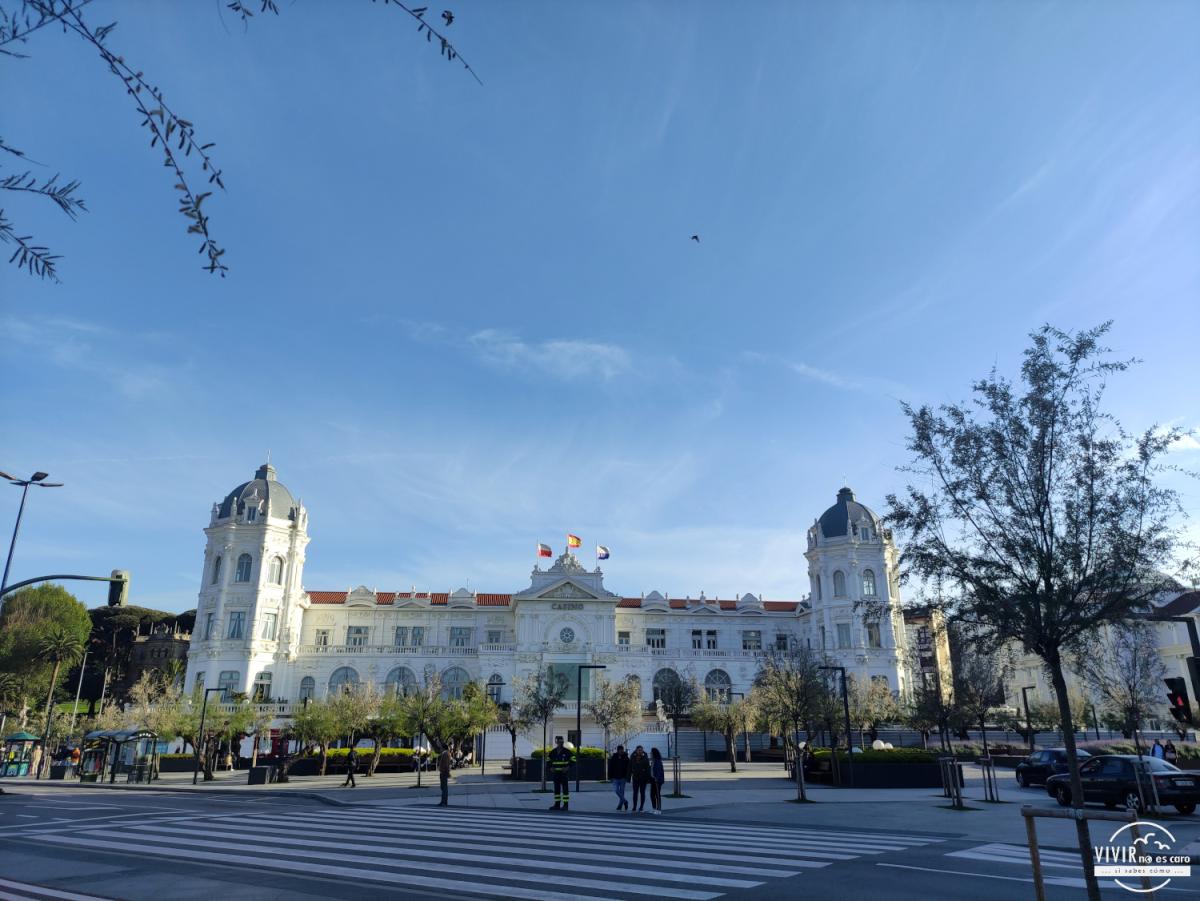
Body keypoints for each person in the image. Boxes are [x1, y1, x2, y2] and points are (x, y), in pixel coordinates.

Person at [547, 736, 574, 811]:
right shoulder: (553, 752)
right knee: (556, 790)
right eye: (558, 742)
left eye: (561, 742)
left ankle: (565, 806)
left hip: (564, 774)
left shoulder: (567, 752)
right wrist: (550, 767)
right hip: (556, 774)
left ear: (563, 742)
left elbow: (573, 760)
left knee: (565, 789)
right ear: (556, 742)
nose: (560, 743)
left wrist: (568, 767)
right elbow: (548, 760)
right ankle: (557, 805)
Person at [629, 745, 651, 813]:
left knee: (642, 793)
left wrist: (648, 779)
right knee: (635, 793)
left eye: (641, 750)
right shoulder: (633, 757)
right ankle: (634, 806)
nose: (640, 751)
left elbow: (648, 769)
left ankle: (641, 806)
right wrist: (628, 777)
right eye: (638, 750)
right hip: (635, 778)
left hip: (643, 779)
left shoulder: (645, 758)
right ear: (636, 750)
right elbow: (629, 767)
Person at [609, 744, 630, 810]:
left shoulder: (626, 757)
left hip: (623, 777)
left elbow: (628, 768)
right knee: (616, 790)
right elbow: (610, 767)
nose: (620, 751)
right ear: (617, 750)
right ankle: (625, 801)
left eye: (622, 750)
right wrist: (610, 777)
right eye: (619, 750)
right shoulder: (614, 757)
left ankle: (620, 805)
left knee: (622, 792)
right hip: (615, 777)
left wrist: (627, 776)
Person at [650, 747, 665, 815]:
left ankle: (659, 809)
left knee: (657, 795)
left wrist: (657, 778)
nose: (650, 754)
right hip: (653, 780)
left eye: (651, 753)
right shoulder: (653, 761)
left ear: (654, 753)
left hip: (657, 780)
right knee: (652, 794)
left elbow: (659, 771)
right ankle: (654, 808)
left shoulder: (658, 761)